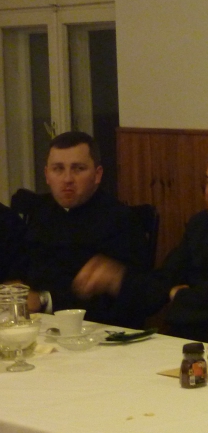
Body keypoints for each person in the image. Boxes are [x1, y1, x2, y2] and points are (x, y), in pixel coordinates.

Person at [71, 140, 208, 345]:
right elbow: (166, 278)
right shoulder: (200, 223)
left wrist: (179, 296)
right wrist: (117, 279)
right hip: (186, 336)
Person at [13, 131, 147, 327]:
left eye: (78, 169)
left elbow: (132, 298)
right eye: (58, 169)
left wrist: (44, 300)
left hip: (96, 331)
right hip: (37, 325)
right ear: (47, 175)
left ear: (97, 174)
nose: (67, 178)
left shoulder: (120, 220)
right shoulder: (40, 212)